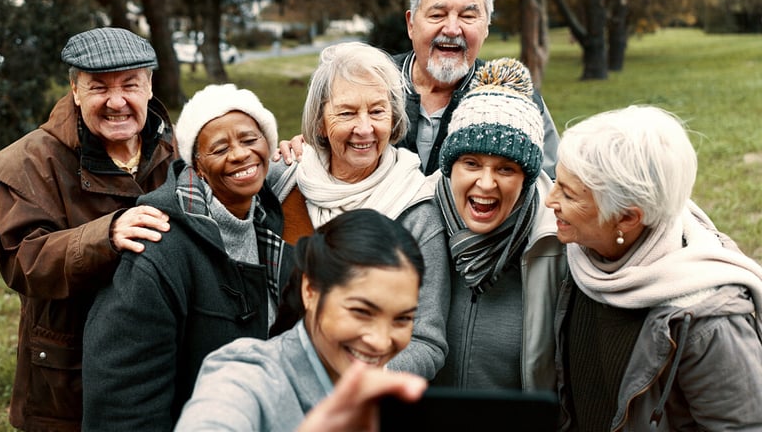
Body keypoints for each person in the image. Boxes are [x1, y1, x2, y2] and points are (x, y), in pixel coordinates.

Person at [0, 27, 176, 431]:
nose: (117, 102)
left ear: (150, 87)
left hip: (157, 362)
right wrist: (107, 235)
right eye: (99, 87)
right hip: (69, 373)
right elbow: (22, 261)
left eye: (130, 85)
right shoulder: (29, 163)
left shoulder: (176, 148)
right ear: (75, 90)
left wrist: (280, 156)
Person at [82, 83, 294, 432]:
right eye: (220, 148)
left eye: (250, 139)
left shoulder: (269, 220)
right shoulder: (157, 250)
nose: (240, 154)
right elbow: (123, 400)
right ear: (197, 164)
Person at [545, 106, 762, 430]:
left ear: (628, 218)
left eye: (568, 194)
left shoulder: (708, 323)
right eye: (557, 182)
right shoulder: (581, 260)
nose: (550, 200)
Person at [274, 0, 559, 178]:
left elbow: (551, 188)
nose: (451, 28)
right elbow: (331, 137)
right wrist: (308, 150)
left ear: (486, 27)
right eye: (437, 14)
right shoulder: (369, 83)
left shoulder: (515, 101)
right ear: (411, 23)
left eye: (468, 16)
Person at [269, 41, 448, 379]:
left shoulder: (417, 209)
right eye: (347, 112)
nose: (364, 128)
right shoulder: (283, 181)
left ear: (394, 117)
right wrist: (137, 213)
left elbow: (427, 343)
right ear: (320, 122)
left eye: (377, 111)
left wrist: (346, 372)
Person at [174, 209, 428, 431]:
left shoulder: (391, 400)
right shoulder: (248, 375)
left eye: (402, 319)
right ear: (310, 290)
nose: (381, 342)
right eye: (361, 312)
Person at [431, 57, 567, 391]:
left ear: (528, 179)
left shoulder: (555, 242)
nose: (486, 184)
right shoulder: (418, 217)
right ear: (450, 166)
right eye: (472, 163)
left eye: (506, 169)